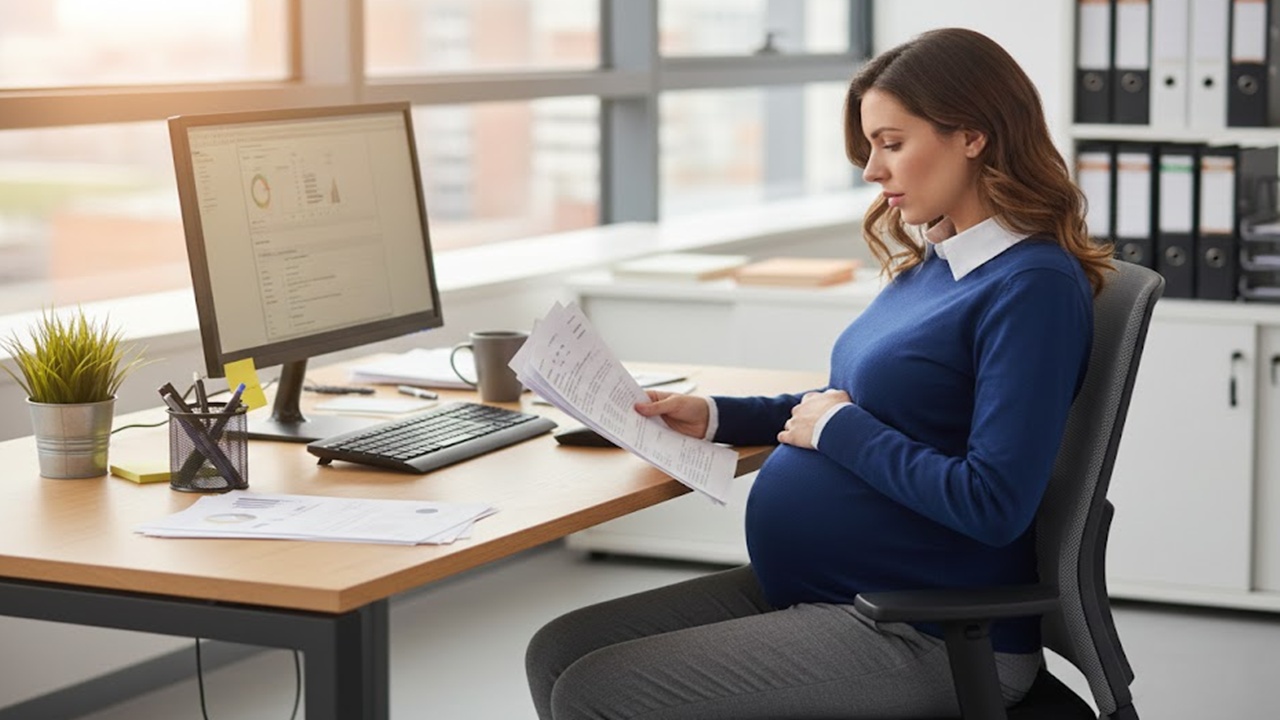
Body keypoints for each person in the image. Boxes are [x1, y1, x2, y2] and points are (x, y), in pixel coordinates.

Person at [526, 27, 1114, 720]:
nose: (871, 170)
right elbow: (852, 404)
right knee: (559, 650)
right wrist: (717, 415)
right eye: (869, 148)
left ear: (974, 135)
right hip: (833, 592)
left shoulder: (1031, 288)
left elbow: (992, 502)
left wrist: (838, 430)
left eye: (892, 144)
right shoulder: (941, 259)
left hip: (925, 628)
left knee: (599, 691)